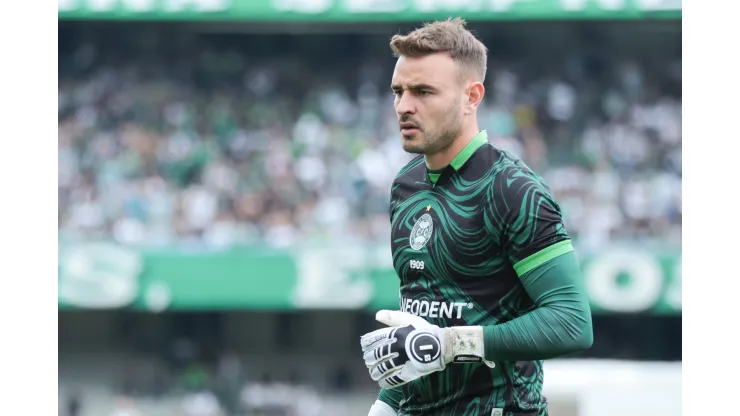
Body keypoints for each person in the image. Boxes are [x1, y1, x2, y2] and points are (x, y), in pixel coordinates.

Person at [360, 18, 593, 416]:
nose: (404, 106)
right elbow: (423, 321)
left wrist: (456, 343)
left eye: (423, 92)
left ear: (472, 96)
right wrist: (387, 404)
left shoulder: (513, 189)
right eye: (398, 92)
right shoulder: (406, 186)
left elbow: (571, 321)